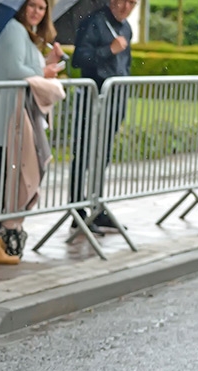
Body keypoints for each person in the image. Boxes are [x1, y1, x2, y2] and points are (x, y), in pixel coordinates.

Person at [0, 0, 64, 265]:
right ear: (21, 7)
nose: (36, 11)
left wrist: (46, 63)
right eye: (32, 5)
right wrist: (45, 71)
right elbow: (16, 70)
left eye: (42, 8)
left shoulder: (22, 33)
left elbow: (22, 66)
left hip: (6, 117)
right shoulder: (14, 30)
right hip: (1, 117)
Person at [70, 0, 136, 233]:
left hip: (114, 102)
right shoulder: (94, 22)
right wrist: (109, 50)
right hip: (93, 100)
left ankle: (97, 206)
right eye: (122, 1)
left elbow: (124, 65)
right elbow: (79, 59)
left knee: (103, 154)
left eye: (132, 3)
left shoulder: (126, 27)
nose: (126, 7)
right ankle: (77, 211)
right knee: (85, 153)